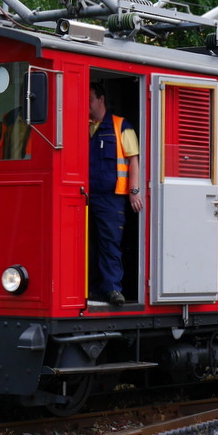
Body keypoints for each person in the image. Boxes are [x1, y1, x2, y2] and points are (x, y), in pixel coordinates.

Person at [88, 82, 142, 306]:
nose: (86, 105)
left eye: (89, 100)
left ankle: (113, 290)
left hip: (112, 198)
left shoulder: (121, 126)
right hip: (85, 196)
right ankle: (90, 290)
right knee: (87, 244)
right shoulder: (82, 125)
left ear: (101, 100)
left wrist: (134, 191)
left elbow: (133, 160)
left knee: (110, 244)